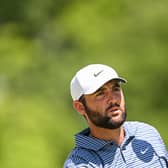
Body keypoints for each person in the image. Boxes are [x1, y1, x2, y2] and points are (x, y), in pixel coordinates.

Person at [64, 64, 168, 168]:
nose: (113, 99)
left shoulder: (147, 132)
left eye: (116, 89)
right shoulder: (79, 163)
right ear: (80, 107)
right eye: (100, 94)